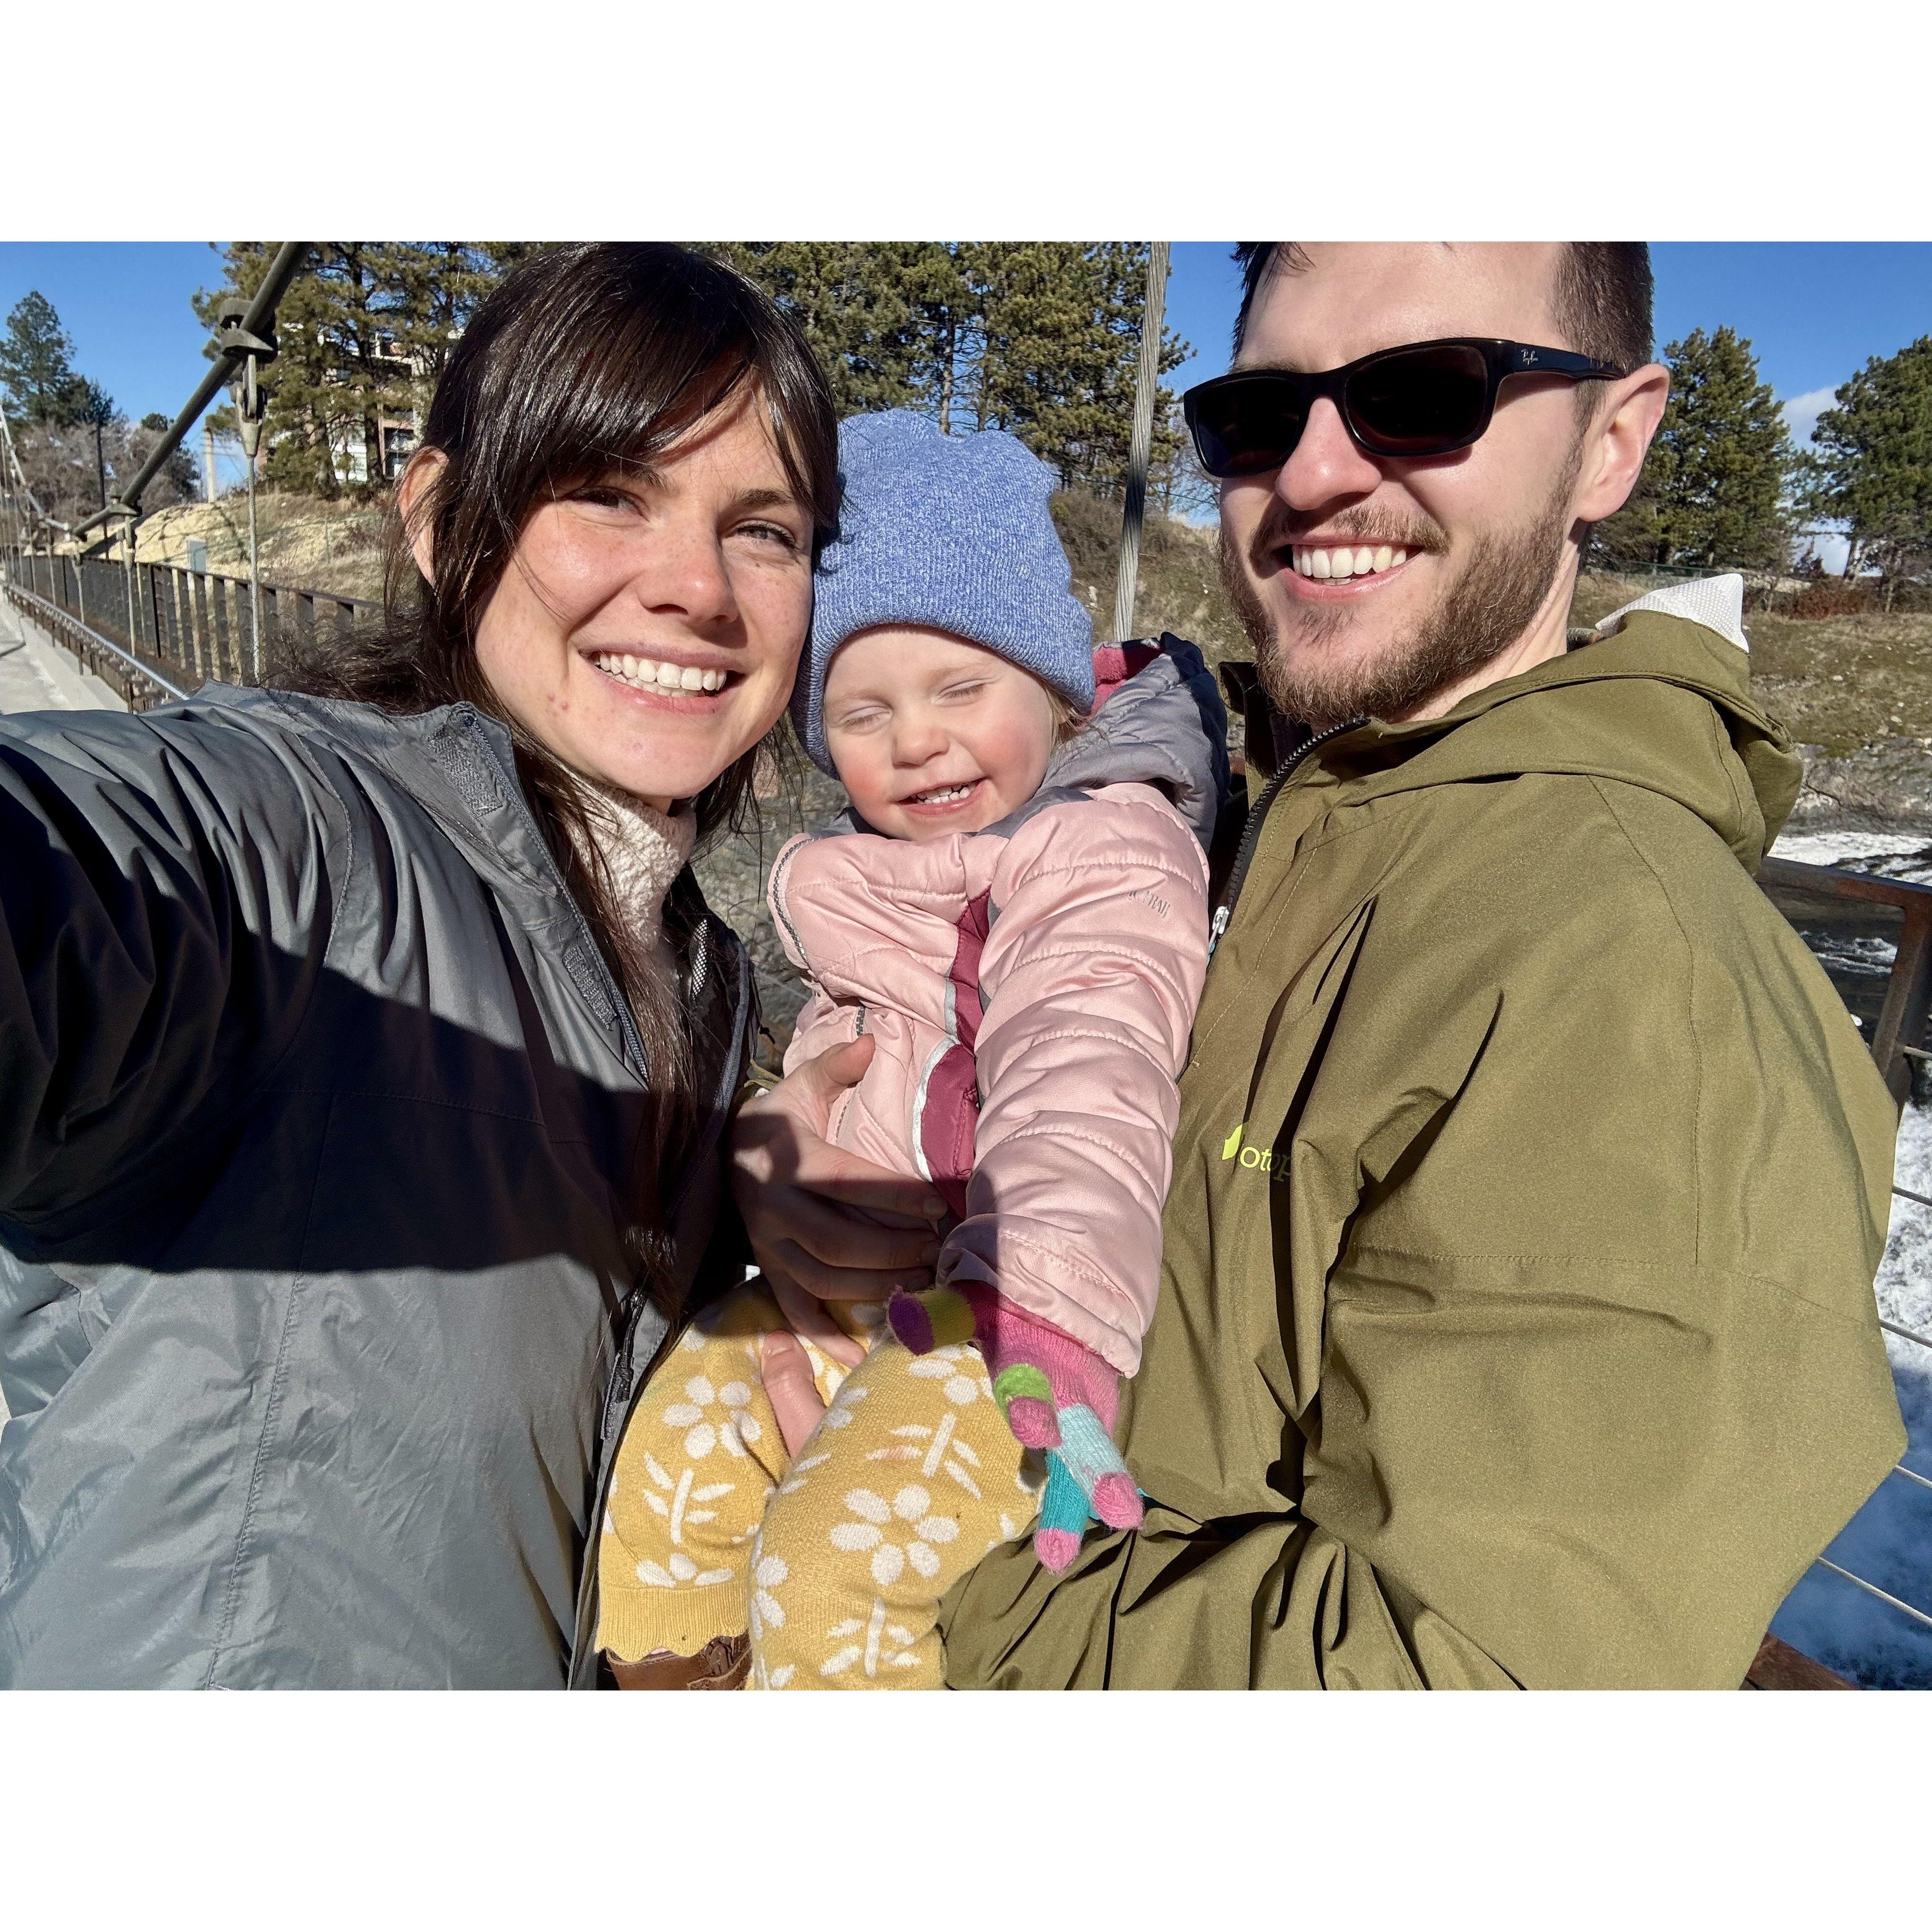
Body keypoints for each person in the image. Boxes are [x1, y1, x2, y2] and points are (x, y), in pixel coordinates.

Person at [745, 244, 1909, 1689]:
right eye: (1258, 414)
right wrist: (810, 1149)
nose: (1311, 472)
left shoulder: (1629, 971)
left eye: (1424, 392)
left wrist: (924, 1578)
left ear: (1613, 440)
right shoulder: (1248, 804)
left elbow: (1478, 1678)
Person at [0, 242, 882, 1689]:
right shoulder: (293, 843)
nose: (699, 589)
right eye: (609, 492)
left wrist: (739, 1183)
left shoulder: (702, 976)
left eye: (766, 530)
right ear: (437, 518)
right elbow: (74, 875)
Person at [597, 411, 1227, 1688]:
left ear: (1053, 690)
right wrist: (788, 1123)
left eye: (960, 689)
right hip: (856, 1289)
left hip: (1015, 1313)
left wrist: (1038, 1298)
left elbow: (1083, 1068)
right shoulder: (879, 869)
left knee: (832, 1563)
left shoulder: (1095, 850)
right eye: (863, 710)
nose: (916, 740)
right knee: (662, 1470)